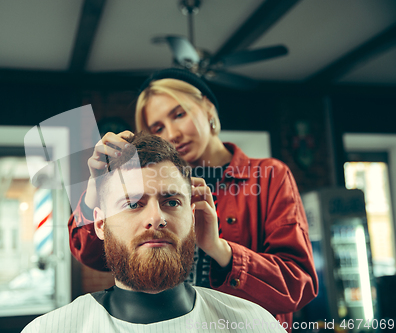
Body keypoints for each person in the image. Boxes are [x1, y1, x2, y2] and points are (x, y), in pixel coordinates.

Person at [68, 68, 318, 332]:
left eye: (179, 114)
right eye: (158, 127)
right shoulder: (147, 184)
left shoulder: (269, 177)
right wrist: (96, 186)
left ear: (208, 108)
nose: (172, 134)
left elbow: (299, 285)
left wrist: (219, 249)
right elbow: (93, 256)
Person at [23, 133, 286, 332]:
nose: (156, 218)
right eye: (132, 204)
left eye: (171, 202)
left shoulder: (257, 325)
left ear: (193, 217)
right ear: (100, 224)